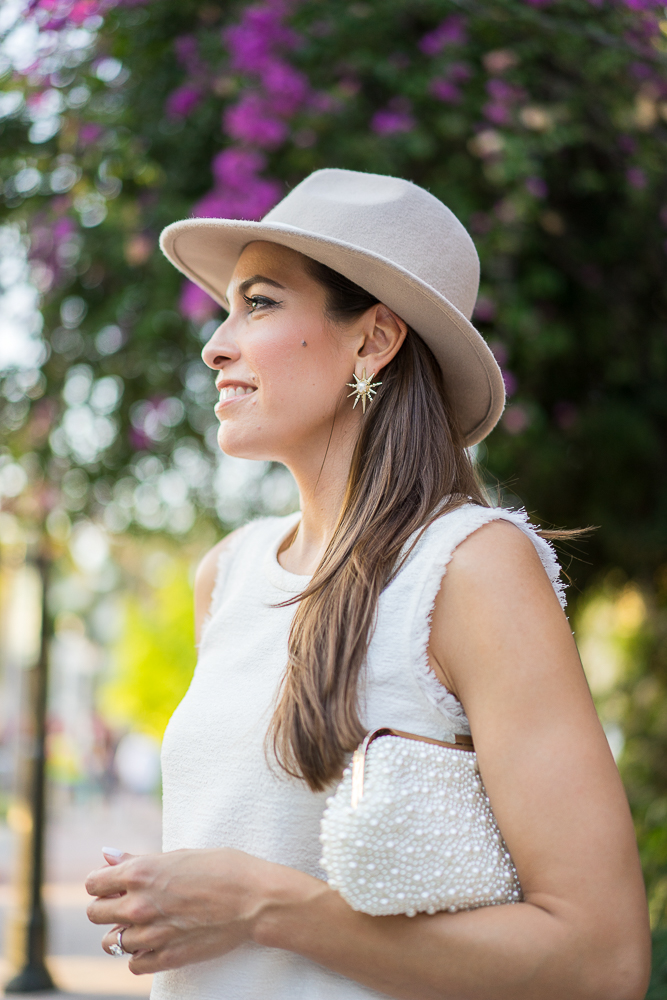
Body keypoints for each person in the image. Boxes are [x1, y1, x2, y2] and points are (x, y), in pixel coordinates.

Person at [86, 169, 650, 1000]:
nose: (216, 343)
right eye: (228, 308)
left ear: (373, 340)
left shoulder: (470, 566)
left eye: (262, 303)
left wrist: (264, 908)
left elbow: (601, 960)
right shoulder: (229, 575)